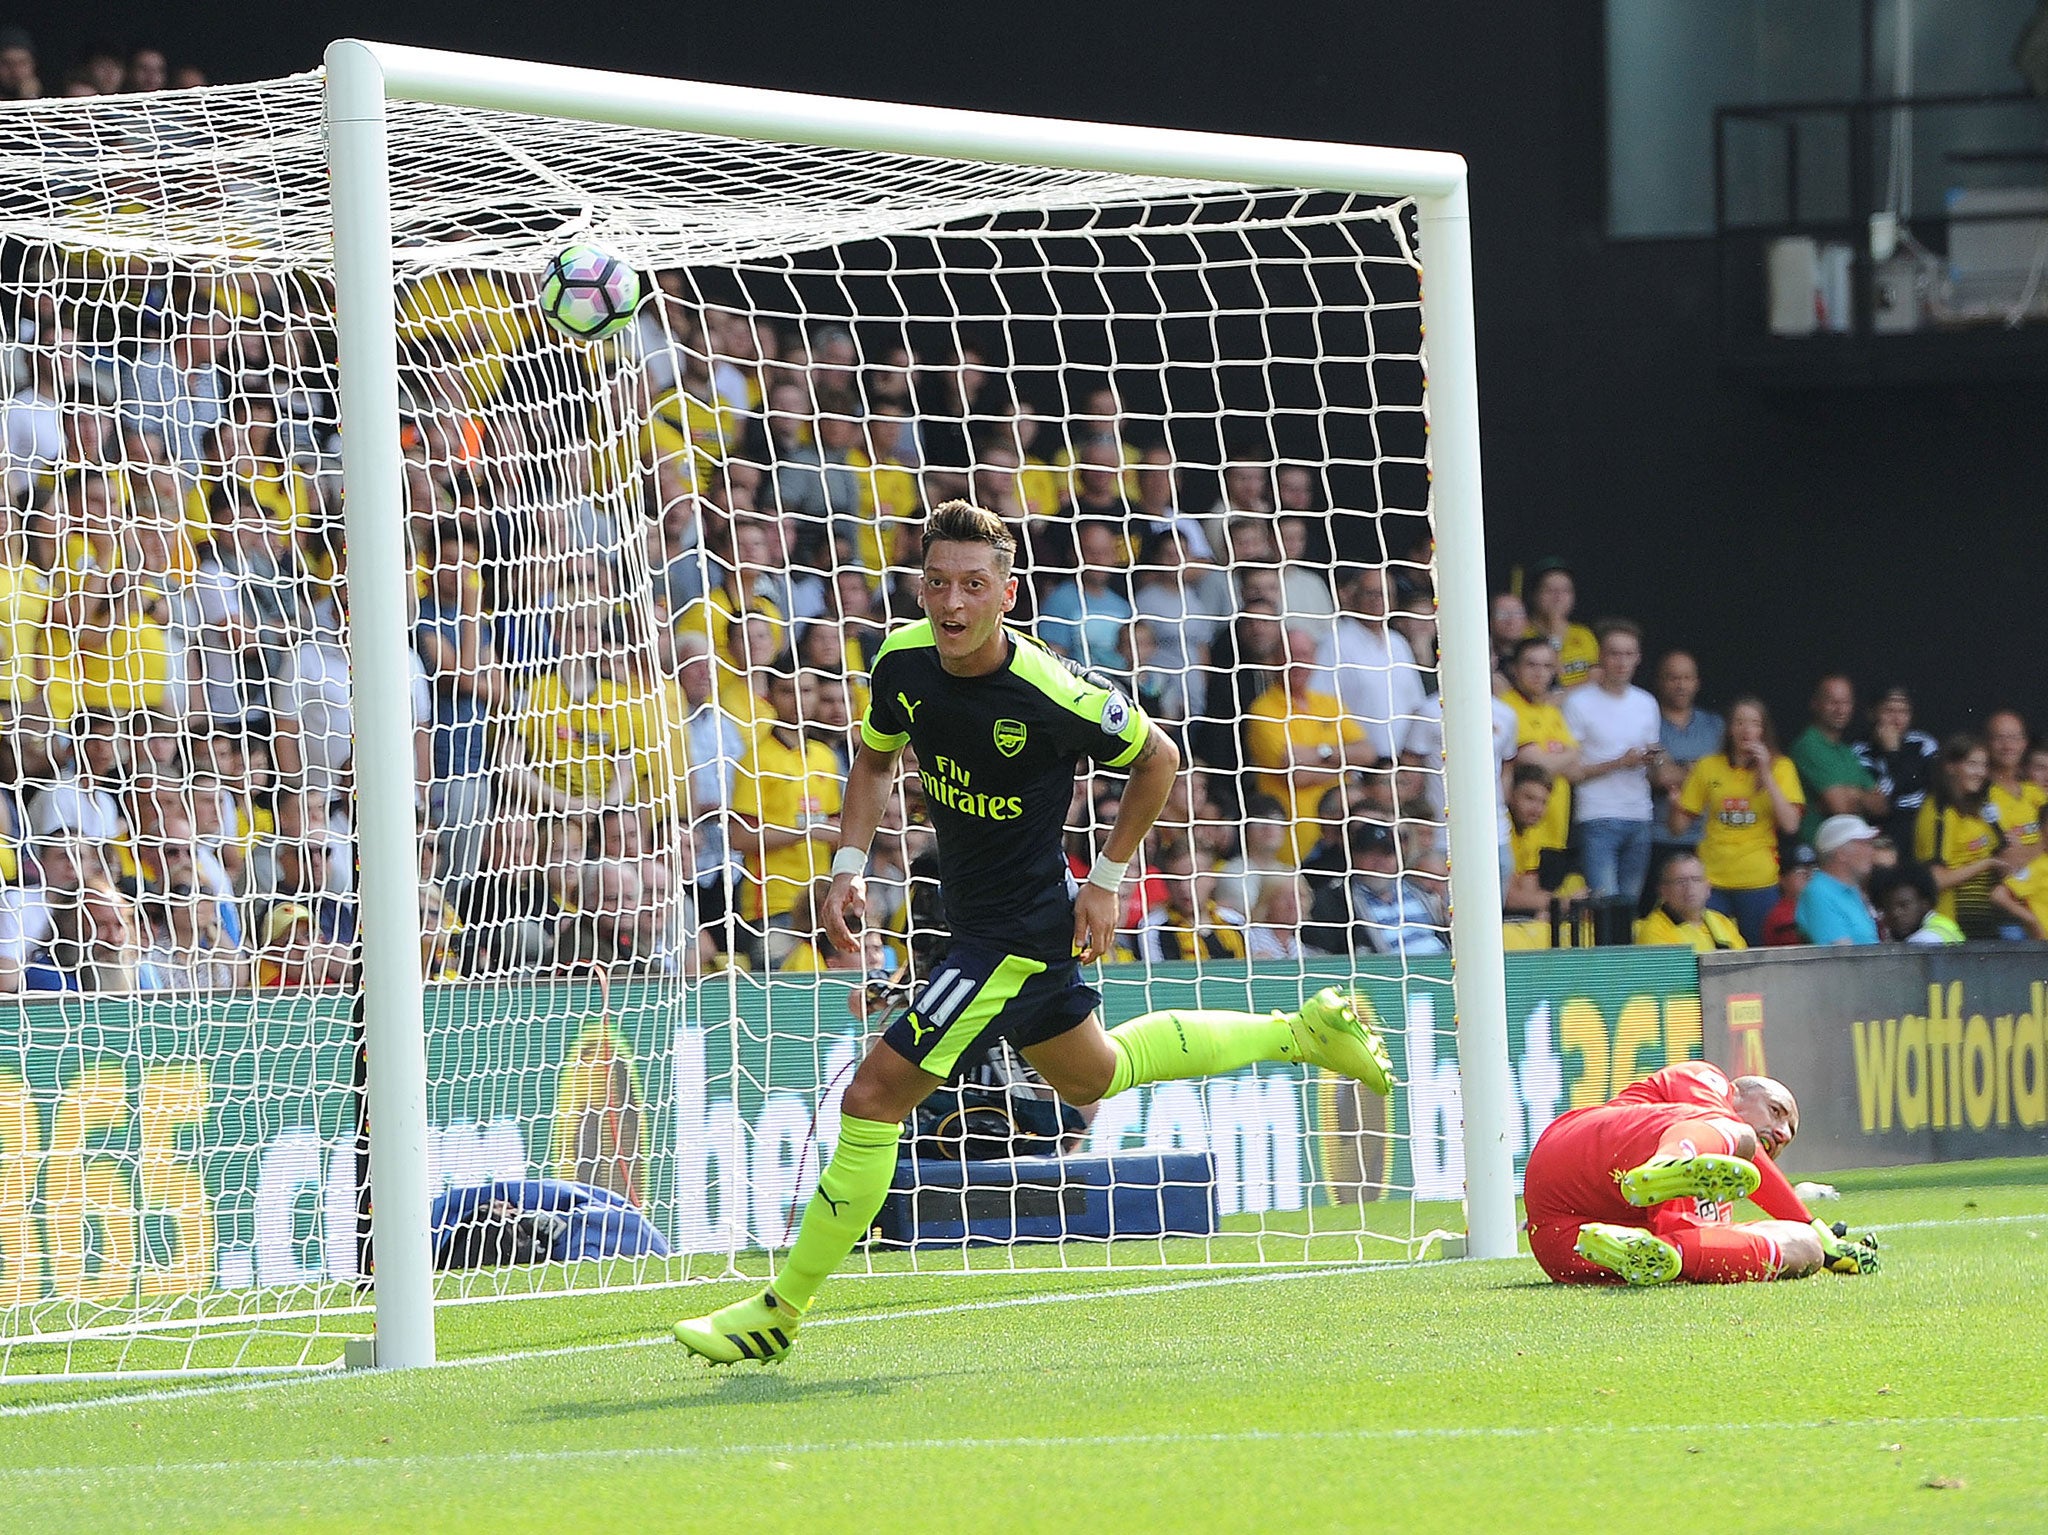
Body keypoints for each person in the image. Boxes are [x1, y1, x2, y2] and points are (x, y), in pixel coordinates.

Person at [672, 502, 1393, 1364]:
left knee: (872, 1096)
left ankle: (779, 1308)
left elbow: (1159, 757)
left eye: (974, 585)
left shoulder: (1052, 692)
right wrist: (847, 867)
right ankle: (1301, 1030)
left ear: (1008, 593)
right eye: (937, 582)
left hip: (1013, 934)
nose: (952, 602)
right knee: (1097, 1071)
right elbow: (873, 757)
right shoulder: (903, 661)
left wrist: (1108, 881)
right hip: (975, 919)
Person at [1522, 1060, 1877, 1285]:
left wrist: (1818, 1242)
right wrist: (1816, 1224)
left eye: (1790, 1134)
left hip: (1570, 1246)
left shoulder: (1717, 1193)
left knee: (1805, 1249)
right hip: (1581, 1159)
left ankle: (1662, 1254)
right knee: (1738, 1135)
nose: (1782, 1132)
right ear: (1735, 1093)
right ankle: (1667, 1163)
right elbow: (1744, 1144)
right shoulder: (1705, 1080)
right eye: (1775, 1111)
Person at [1669, 696, 1803, 944]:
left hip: (1758, 880)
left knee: (1758, 952)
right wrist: (1675, 805)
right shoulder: (1708, 766)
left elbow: (1791, 825)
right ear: (1729, 728)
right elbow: (1677, 828)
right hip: (1712, 880)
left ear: (1763, 730)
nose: (1746, 730)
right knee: (1710, 951)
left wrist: (1766, 774)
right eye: (1739, 722)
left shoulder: (1781, 767)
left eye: (1754, 723)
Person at [1560, 619, 1659, 905]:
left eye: (1629, 654)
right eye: (1615, 653)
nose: (1622, 661)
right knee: (1604, 905)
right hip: (1597, 815)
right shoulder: (1579, 702)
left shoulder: (1646, 703)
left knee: (1629, 906)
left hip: (1640, 814)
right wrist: (1619, 762)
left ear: (1638, 658)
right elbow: (1571, 770)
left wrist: (1655, 761)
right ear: (1601, 657)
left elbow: (1650, 760)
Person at [1914, 734, 2012, 941]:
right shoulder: (1939, 811)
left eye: (1984, 765)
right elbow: (1935, 879)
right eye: (1972, 764)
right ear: (1950, 766)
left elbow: (2005, 852)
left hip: (1988, 925)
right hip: (1951, 927)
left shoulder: (1983, 807)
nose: (1980, 772)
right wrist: (1986, 864)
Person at [1788, 675, 1888, 846]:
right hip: (1823, 850)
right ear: (1815, 704)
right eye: (1832, 702)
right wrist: (1860, 796)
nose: (1840, 709)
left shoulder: (1846, 751)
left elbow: (1881, 805)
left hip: (1854, 845)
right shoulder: (1809, 745)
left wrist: (1852, 794)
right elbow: (1840, 807)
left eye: (1846, 702)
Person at [1501, 637, 1578, 856]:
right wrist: (1570, 753)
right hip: (1519, 829)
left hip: (1554, 827)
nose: (1539, 673)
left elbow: (1574, 770)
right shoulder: (1506, 707)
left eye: (1547, 666)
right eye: (1531, 664)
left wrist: (1566, 758)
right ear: (1515, 668)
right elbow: (1535, 764)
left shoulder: (1551, 712)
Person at [1648, 649, 1723, 873]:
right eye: (1673, 678)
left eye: (1687, 678)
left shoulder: (1715, 725)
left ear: (1697, 683)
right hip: (1659, 835)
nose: (1681, 685)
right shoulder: (1647, 720)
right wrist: (1701, 770)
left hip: (1709, 836)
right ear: (1660, 682)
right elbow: (1661, 776)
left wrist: (1677, 768)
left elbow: (1726, 776)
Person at [1852, 685, 1939, 851]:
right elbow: (1881, 802)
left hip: (1926, 828)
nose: (1897, 719)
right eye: (1889, 710)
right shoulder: (1860, 751)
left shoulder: (1923, 743)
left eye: (1903, 711)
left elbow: (1935, 784)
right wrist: (1892, 752)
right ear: (1872, 713)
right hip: (1886, 834)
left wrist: (1894, 755)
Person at [1633, 853, 1744, 952]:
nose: (1690, 887)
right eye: (1680, 881)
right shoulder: (1654, 931)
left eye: (1696, 879)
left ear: (1708, 888)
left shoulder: (1722, 921)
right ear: (1663, 891)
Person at [1796, 815, 1881, 946]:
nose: (1871, 851)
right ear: (1841, 853)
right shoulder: (1818, 893)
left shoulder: (1852, 889)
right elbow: (1841, 955)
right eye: (1864, 844)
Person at [1521, 557, 1598, 691]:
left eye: (1565, 591)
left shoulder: (1584, 634)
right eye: (1550, 590)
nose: (1558, 597)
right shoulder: (1523, 634)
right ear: (1534, 594)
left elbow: (1597, 679)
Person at [1984, 709, 2046, 856]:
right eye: (2000, 738)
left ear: (2024, 743)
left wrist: (2028, 851)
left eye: (2015, 738)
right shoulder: (1978, 794)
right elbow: (2008, 858)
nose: (2008, 746)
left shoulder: (2033, 790)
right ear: (1986, 742)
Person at [1871, 862, 1962, 943]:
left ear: (1925, 903)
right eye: (1888, 907)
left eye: (1904, 905)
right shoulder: (1946, 924)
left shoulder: (1923, 940)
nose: (1895, 913)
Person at [1760, 842, 1817, 946]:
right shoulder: (1781, 915)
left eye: (1815, 870)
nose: (1809, 876)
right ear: (1782, 879)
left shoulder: (1827, 905)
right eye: (1800, 871)